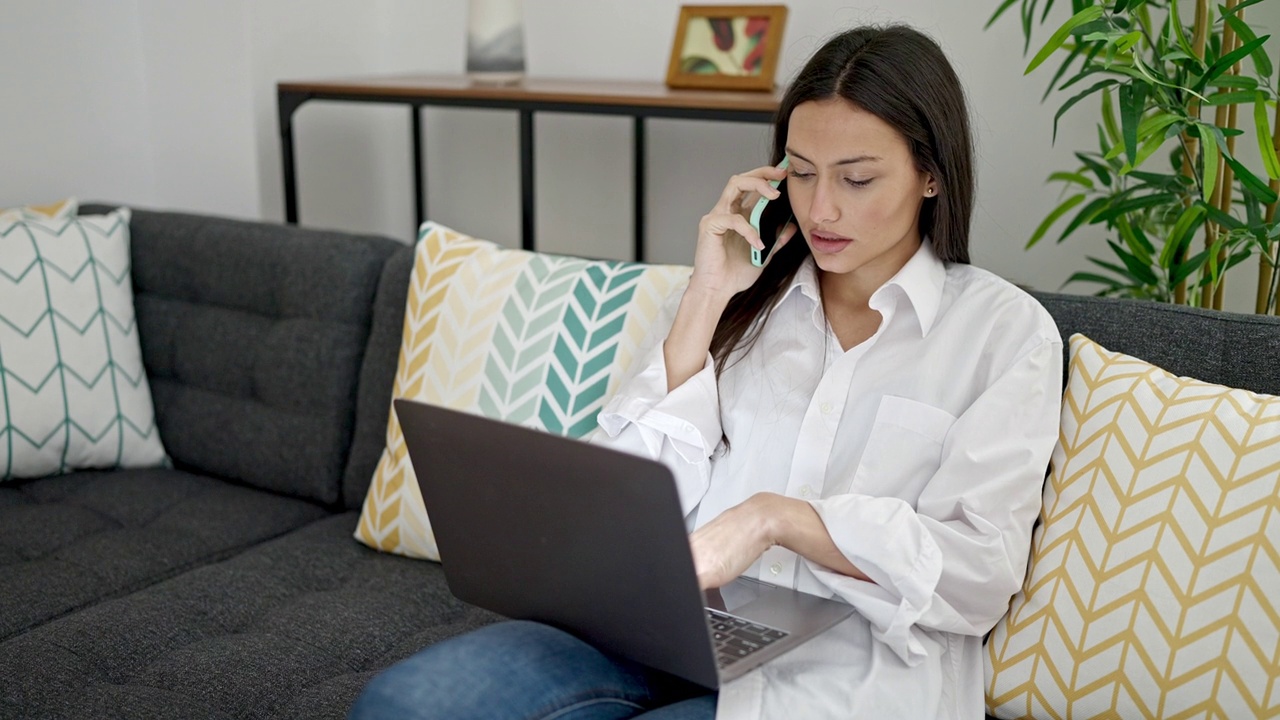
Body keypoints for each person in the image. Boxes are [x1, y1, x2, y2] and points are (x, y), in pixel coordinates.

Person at [349, 23, 1062, 720]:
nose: (822, 209)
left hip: (841, 671)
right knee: (405, 702)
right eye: (803, 173)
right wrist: (705, 298)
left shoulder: (1002, 334)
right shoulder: (748, 301)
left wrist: (777, 520)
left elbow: (975, 576)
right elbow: (621, 493)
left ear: (931, 174)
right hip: (663, 627)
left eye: (858, 178)